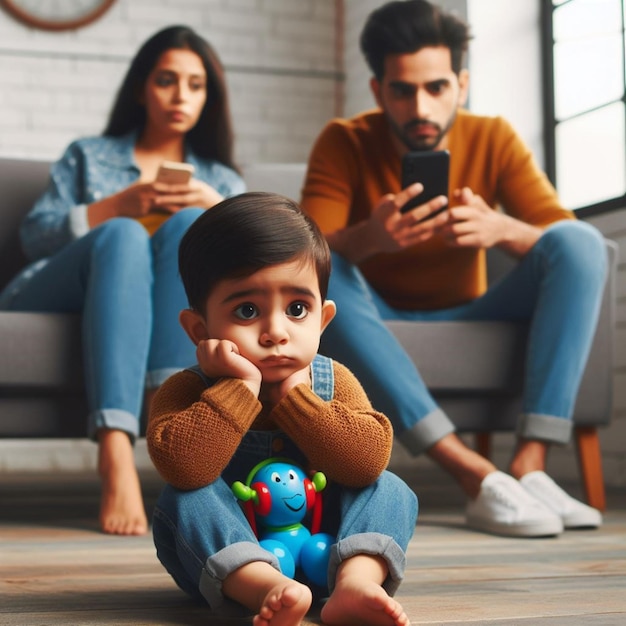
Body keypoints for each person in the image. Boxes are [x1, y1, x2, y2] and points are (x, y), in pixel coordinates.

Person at [300, 0, 607, 538]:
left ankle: (529, 468)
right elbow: (304, 251)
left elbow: (562, 239)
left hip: (472, 310)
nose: (421, 107)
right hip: (374, 315)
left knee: (581, 241)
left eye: (437, 88)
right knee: (323, 269)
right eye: (402, 90)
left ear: (461, 85)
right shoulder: (343, 140)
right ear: (378, 91)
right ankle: (475, 476)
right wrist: (371, 237)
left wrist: (503, 230)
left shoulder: (494, 137)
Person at [0, 26, 245, 536]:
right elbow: (33, 237)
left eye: (196, 85)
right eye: (166, 80)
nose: (181, 96)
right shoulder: (88, 155)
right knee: (124, 236)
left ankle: (163, 425)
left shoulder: (220, 179)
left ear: (209, 97)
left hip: (145, 298)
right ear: (141, 87)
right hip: (53, 290)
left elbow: (250, 267)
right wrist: (115, 207)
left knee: (185, 228)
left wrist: (214, 208)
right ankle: (115, 448)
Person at [147, 192, 418, 626]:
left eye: (297, 309)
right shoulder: (186, 390)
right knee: (185, 496)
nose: (276, 332)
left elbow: (366, 463)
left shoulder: (333, 381)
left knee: (388, 486)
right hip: (225, 560)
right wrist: (240, 387)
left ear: (323, 319)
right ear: (200, 329)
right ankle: (264, 587)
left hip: (326, 546)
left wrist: (297, 400)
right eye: (247, 310)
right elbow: (184, 468)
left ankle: (355, 581)